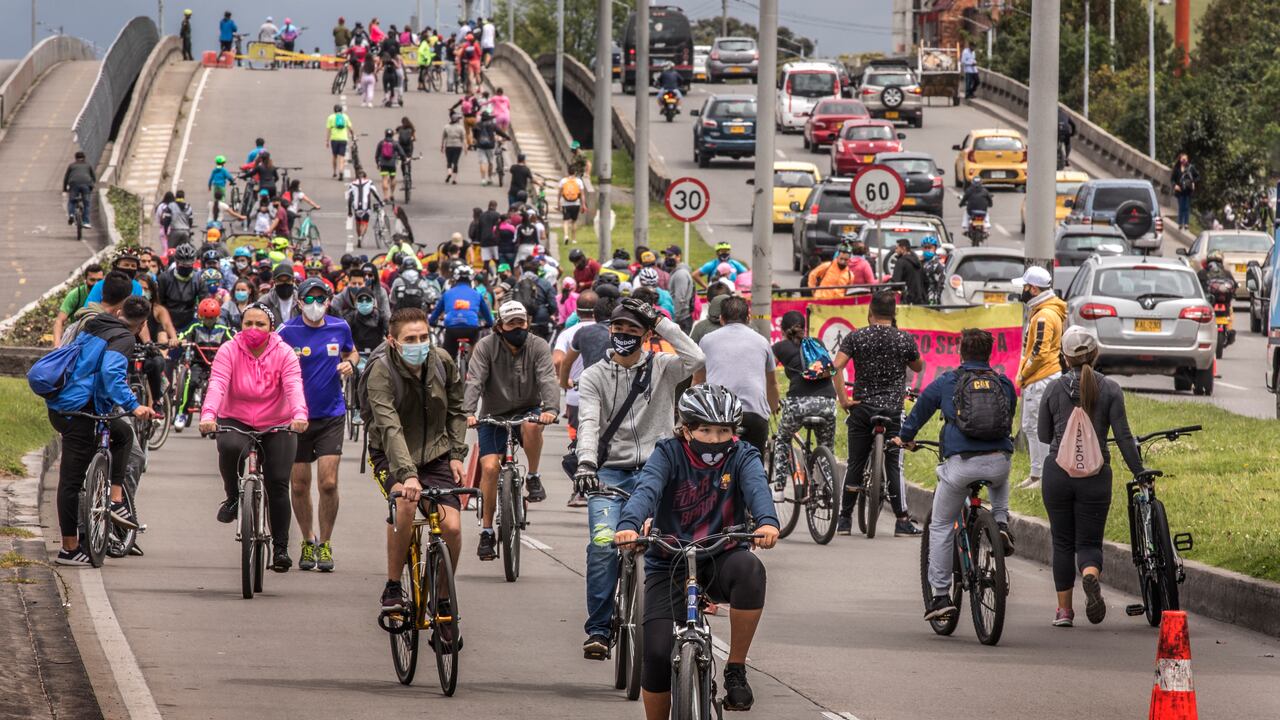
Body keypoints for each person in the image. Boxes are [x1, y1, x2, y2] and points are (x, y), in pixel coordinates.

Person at [613, 385, 780, 717]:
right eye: (705, 429)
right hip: (669, 560)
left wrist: (766, 522)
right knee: (657, 654)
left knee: (751, 570)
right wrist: (629, 524)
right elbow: (647, 489)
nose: (715, 438)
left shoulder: (742, 455)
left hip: (722, 554)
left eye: (723, 431)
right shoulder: (668, 453)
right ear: (686, 429)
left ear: (734, 432)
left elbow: (757, 487)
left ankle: (735, 668)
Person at [572, 297, 704, 658]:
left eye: (633, 330)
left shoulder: (663, 367)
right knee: (602, 545)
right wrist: (586, 464)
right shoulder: (593, 376)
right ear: (609, 331)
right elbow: (587, 422)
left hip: (657, 471)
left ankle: (682, 615)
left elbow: (697, 359)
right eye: (618, 329)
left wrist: (661, 321)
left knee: (675, 544)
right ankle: (598, 629)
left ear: (646, 335)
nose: (624, 336)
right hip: (607, 475)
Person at [897, 328, 1018, 621]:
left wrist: (905, 437)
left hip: (962, 465)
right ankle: (1000, 522)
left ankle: (940, 597)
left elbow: (919, 413)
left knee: (940, 525)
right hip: (999, 461)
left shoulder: (948, 381)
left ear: (961, 352)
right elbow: (1007, 418)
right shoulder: (1003, 383)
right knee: (1000, 470)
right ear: (989, 353)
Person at [43, 274, 156, 565]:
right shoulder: (124, 338)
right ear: (142, 324)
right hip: (77, 410)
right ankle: (69, 549)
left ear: (119, 312)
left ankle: (115, 498)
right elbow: (110, 374)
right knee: (70, 480)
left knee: (122, 435)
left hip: (71, 405)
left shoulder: (96, 323)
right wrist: (135, 406)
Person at [368, 307, 469, 624]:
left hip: (436, 454)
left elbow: (456, 409)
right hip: (391, 454)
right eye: (410, 339)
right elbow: (390, 428)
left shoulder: (442, 361)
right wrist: (409, 476)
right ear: (393, 341)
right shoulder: (380, 372)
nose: (419, 343)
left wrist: (456, 453)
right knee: (406, 506)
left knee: (451, 527)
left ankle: (441, 600)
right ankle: (393, 585)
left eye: (424, 337)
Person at [1038, 326, 1144, 627]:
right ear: (1095, 354)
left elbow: (1044, 435)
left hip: (1057, 475)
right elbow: (1123, 436)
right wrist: (1139, 472)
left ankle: (1064, 612)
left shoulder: (1054, 388)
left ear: (1064, 357)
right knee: (1089, 543)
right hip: (1096, 477)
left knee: (1061, 542)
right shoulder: (1110, 389)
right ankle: (1089, 575)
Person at [199, 304, 308, 572]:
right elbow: (218, 383)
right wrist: (208, 415)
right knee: (229, 446)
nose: (253, 329)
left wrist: (299, 415)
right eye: (248, 323)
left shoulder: (284, 352)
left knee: (278, 483)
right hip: (235, 418)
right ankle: (234, 496)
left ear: (271, 327)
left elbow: (293, 384)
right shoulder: (229, 350)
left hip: (278, 422)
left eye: (260, 324)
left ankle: (281, 548)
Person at [463, 301, 559, 561]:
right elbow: (475, 380)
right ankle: (486, 531)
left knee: (531, 425)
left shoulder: (538, 345)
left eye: (521, 322)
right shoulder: (485, 347)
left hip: (528, 409)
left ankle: (534, 476)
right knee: (491, 468)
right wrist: (469, 412)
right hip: (492, 414)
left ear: (528, 322)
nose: (517, 327)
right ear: (500, 326)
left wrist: (550, 408)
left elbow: (548, 377)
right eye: (511, 323)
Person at [278, 279, 358, 572]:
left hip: (331, 415)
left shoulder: (340, 327)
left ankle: (325, 543)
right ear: (298, 302)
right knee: (299, 485)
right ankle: (306, 540)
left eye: (320, 298)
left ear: (328, 300)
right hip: (296, 417)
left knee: (328, 482)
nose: (314, 304)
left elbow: (352, 352)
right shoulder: (286, 332)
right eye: (308, 299)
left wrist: (351, 363)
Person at [831, 291, 923, 537]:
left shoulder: (856, 337)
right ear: (894, 314)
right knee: (894, 463)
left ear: (870, 312)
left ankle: (844, 520)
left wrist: (844, 400)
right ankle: (902, 520)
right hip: (893, 410)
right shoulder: (904, 339)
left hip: (862, 408)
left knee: (855, 462)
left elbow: (835, 367)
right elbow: (918, 366)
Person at [694, 296, 777, 454]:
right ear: (748, 318)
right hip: (755, 415)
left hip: (718, 414)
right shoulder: (762, 342)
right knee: (755, 463)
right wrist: (773, 407)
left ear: (721, 319)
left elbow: (698, 379)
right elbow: (772, 383)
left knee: (715, 463)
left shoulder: (706, 340)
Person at [1013, 265, 1065, 489]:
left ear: (1034, 289)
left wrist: (1023, 374)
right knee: (1030, 426)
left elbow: (1039, 352)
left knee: (1037, 427)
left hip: (1041, 378)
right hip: (1038, 378)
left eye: (1025, 286)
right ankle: (1036, 474)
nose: (1022, 291)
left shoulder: (1043, 315)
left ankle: (1043, 475)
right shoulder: (1042, 311)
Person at [771, 309, 837, 455]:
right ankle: (829, 476)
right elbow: (830, 369)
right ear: (804, 328)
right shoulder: (817, 343)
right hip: (828, 402)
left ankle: (779, 479)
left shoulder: (779, 347)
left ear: (782, 330)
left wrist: (773, 401)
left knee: (782, 440)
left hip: (798, 404)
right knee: (827, 448)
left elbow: (768, 375)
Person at [173, 297, 235, 430]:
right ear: (201, 317)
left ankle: (220, 416)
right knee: (191, 381)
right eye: (206, 318)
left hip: (218, 365)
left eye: (212, 318)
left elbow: (234, 340)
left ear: (217, 317)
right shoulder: (195, 328)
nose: (209, 321)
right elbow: (183, 336)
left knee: (223, 386)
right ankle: (181, 413)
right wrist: (179, 341)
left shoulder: (223, 329)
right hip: (199, 363)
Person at [430, 264, 493, 360]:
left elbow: (436, 313)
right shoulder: (477, 294)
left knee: (448, 357)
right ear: (471, 279)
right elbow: (487, 315)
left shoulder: (447, 293)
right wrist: (489, 323)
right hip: (471, 328)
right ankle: (473, 363)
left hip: (452, 328)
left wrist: (432, 322)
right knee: (475, 344)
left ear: (455, 278)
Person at [53, 265, 104, 347]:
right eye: (92, 280)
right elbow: (59, 320)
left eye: (99, 280)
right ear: (85, 280)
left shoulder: (107, 295)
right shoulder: (76, 294)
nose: (96, 284)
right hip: (77, 337)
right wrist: (57, 345)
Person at [514, 257, 558, 341]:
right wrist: (547, 311)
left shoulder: (518, 284)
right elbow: (553, 305)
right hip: (541, 319)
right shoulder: (545, 283)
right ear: (537, 271)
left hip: (522, 320)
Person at [660, 246, 695, 332]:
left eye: (670, 255)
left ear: (678, 256)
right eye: (666, 255)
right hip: (680, 318)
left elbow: (679, 299)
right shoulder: (676, 272)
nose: (667, 258)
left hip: (681, 320)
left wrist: (673, 319)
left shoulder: (680, 274)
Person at [473, 111, 511, 187]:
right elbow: (500, 132)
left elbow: (475, 135)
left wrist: (477, 140)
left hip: (480, 145)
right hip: (490, 146)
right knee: (490, 162)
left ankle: (483, 180)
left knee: (482, 163)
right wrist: (507, 137)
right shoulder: (492, 125)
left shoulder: (477, 125)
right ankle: (490, 178)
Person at [346, 169, 383, 246]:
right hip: (366, 206)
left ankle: (358, 236)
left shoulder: (352, 184)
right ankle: (361, 237)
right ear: (365, 176)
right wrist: (380, 201)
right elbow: (374, 192)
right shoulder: (369, 182)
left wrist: (349, 210)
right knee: (365, 223)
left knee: (358, 223)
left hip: (356, 206)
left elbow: (350, 198)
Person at [63, 151, 96, 230]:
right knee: (86, 203)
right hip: (86, 183)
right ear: (84, 158)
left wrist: (64, 189)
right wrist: (91, 186)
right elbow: (93, 177)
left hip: (74, 184)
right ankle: (86, 222)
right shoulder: (88, 165)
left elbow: (66, 178)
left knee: (72, 201)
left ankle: (71, 214)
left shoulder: (71, 166)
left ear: (75, 158)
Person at [889, 238, 926, 304]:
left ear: (903, 248)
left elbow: (895, 284)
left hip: (908, 299)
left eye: (897, 248)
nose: (895, 250)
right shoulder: (918, 261)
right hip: (921, 298)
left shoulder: (901, 262)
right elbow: (925, 280)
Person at [375, 129, 408, 200]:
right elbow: (402, 153)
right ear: (392, 135)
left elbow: (377, 154)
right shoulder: (395, 143)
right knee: (393, 178)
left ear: (385, 134)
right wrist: (404, 159)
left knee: (384, 179)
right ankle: (392, 194)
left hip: (383, 163)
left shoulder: (381, 143)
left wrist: (377, 162)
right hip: (392, 164)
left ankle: (385, 196)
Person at [558, 172, 588, 244]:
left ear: (568, 172)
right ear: (575, 173)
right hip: (576, 204)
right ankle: (574, 239)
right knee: (574, 222)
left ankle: (566, 236)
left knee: (565, 221)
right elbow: (582, 195)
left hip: (565, 204)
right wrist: (583, 204)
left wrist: (558, 202)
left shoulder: (563, 181)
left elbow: (559, 193)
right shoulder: (579, 181)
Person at [1171, 152, 1199, 230]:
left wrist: (1193, 182)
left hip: (1187, 190)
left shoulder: (1190, 167)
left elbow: (1197, 176)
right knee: (1181, 207)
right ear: (1180, 159)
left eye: (1185, 159)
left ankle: (1186, 223)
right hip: (1179, 190)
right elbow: (1172, 179)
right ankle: (1180, 223)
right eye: (1182, 159)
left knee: (1186, 207)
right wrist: (1175, 185)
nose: (1184, 161)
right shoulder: (1176, 168)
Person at [326, 104, 353, 180]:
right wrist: (353, 135)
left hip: (334, 139)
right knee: (341, 157)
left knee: (334, 156)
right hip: (343, 139)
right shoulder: (345, 117)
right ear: (341, 110)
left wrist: (327, 141)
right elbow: (350, 128)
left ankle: (334, 172)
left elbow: (328, 130)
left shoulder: (330, 117)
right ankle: (341, 170)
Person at [441, 112, 466, 185]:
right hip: (458, 146)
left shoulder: (446, 127)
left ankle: (449, 172)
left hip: (448, 145)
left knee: (449, 161)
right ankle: (454, 179)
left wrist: (442, 146)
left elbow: (443, 137)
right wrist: (465, 147)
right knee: (455, 162)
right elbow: (463, 138)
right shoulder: (461, 128)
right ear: (458, 120)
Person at [921, 236, 946, 305]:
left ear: (935, 249)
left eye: (930, 248)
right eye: (925, 248)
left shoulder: (938, 264)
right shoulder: (920, 262)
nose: (927, 250)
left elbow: (941, 284)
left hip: (932, 299)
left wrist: (936, 299)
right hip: (921, 297)